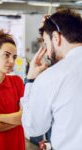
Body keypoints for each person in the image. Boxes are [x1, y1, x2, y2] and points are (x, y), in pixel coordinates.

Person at [21, 8, 82, 150]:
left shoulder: (51, 77)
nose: (47, 54)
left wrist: (30, 81)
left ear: (56, 37)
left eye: (46, 43)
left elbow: (33, 127)